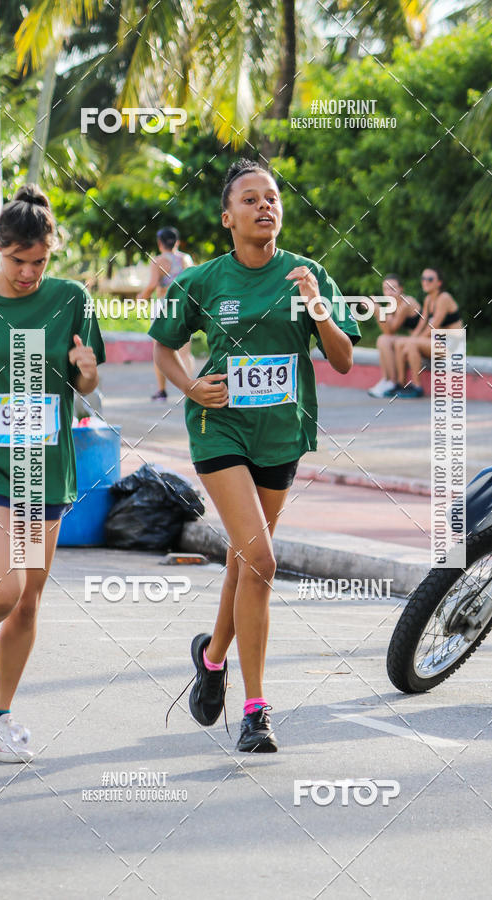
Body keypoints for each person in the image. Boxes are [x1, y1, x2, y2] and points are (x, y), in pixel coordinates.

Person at [150, 159, 361, 752]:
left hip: (281, 436)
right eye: (250, 199)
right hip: (219, 430)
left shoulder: (308, 275)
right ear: (227, 218)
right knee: (262, 559)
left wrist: (318, 307)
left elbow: (344, 360)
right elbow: (163, 349)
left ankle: (212, 658)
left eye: (272, 197)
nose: (264, 205)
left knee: (246, 561)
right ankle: (256, 710)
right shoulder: (202, 281)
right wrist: (191, 386)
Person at [0, 184, 105, 762]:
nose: (30, 273)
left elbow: (86, 383)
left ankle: (1, 715)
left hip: (43, 466)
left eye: (39, 261)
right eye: (18, 261)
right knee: (6, 588)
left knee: (29, 600)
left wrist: (86, 371)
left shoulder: (71, 299)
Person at [137, 226, 194, 401]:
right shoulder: (186, 259)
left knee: (160, 349)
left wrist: (141, 297)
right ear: (177, 242)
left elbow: (153, 284)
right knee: (185, 352)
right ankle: (190, 391)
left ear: (160, 243)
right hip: (184, 306)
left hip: (164, 306)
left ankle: (162, 391)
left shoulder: (158, 261)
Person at [394, 267, 461, 398]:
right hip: (437, 342)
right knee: (400, 343)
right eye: (423, 278)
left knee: (412, 344)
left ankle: (417, 387)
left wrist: (412, 342)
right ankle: (400, 384)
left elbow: (433, 327)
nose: (425, 281)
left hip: (452, 346)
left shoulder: (444, 298)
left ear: (439, 283)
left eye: (430, 279)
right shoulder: (428, 300)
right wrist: (410, 340)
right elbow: (421, 325)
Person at [368, 273, 421, 397]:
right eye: (386, 289)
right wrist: (378, 311)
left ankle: (392, 382)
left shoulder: (406, 302)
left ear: (401, 289)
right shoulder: (391, 305)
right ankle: (387, 380)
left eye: (392, 288)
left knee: (385, 339)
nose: (389, 293)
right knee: (382, 339)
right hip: (413, 339)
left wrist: (378, 311)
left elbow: (391, 329)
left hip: (422, 339)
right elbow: (388, 331)